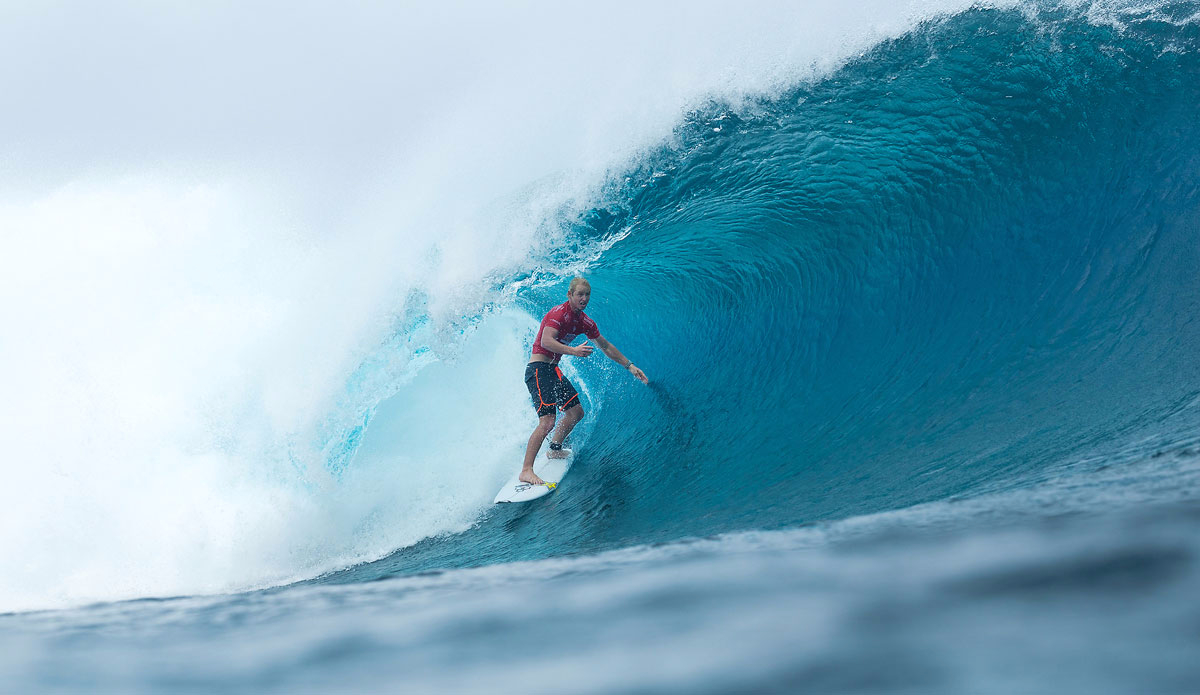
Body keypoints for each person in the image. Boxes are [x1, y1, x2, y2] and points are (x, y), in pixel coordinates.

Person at [520, 277, 648, 485]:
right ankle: (526, 470)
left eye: (587, 295)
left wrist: (630, 366)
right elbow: (546, 341)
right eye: (580, 294)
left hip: (552, 370)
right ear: (569, 295)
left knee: (576, 412)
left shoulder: (584, 321)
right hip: (538, 370)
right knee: (548, 421)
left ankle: (554, 449)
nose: (584, 298)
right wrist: (573, 351)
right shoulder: (558, 313)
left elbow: (605, 346)